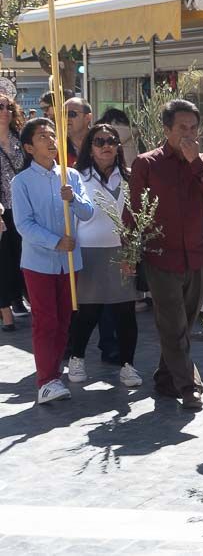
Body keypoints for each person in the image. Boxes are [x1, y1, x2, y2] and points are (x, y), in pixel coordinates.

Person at [130, 99, 203, 410]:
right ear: (167, 129)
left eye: (194, 128)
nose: (189, 134)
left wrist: (194, 161)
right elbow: (134, 210)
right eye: (182, 128)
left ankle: (164, 377)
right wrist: (128, 253)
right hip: (161, 257)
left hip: (197, 257)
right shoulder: (147, 163)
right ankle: (189, 386)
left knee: (182, 323)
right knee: (172, 324)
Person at [11, 118, 94, 404]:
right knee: (45, 320)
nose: (50, 140)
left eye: (52, 135)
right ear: (29, 147)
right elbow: (23, 224)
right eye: (42, 136)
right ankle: (45, 379)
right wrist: (55, 241)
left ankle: (54, 374)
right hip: (39, 263)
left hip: (69, 262)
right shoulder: (21, 181)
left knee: (63, 321)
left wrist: (74, 200)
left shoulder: (70, 175)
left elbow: (87, 213)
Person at [65, 124, 143, 389]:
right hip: (88, 252)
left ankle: (128, 365)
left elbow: (139, 218)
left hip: (122, 252)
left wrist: (134, 252)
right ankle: (76, 358)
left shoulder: (131, 177)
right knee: (87, 312)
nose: (106, 145)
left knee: (125, 313)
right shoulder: (76, 177)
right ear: (90, 146)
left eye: (111, 140)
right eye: (99, 141)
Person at [0, 95, 26, 332]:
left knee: (24, 255)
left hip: (24, 206)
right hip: (1, 210)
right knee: (4, 260)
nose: (5, 111)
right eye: (0, 107)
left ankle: (22, 298)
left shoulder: (20, 139)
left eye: (9, 106)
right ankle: (6, 311)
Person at [62, 98, 92, 166]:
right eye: (63, 114)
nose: (66, 118)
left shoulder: (102, 143)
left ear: (88, 118)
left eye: (71, 114)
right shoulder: (56, 148)